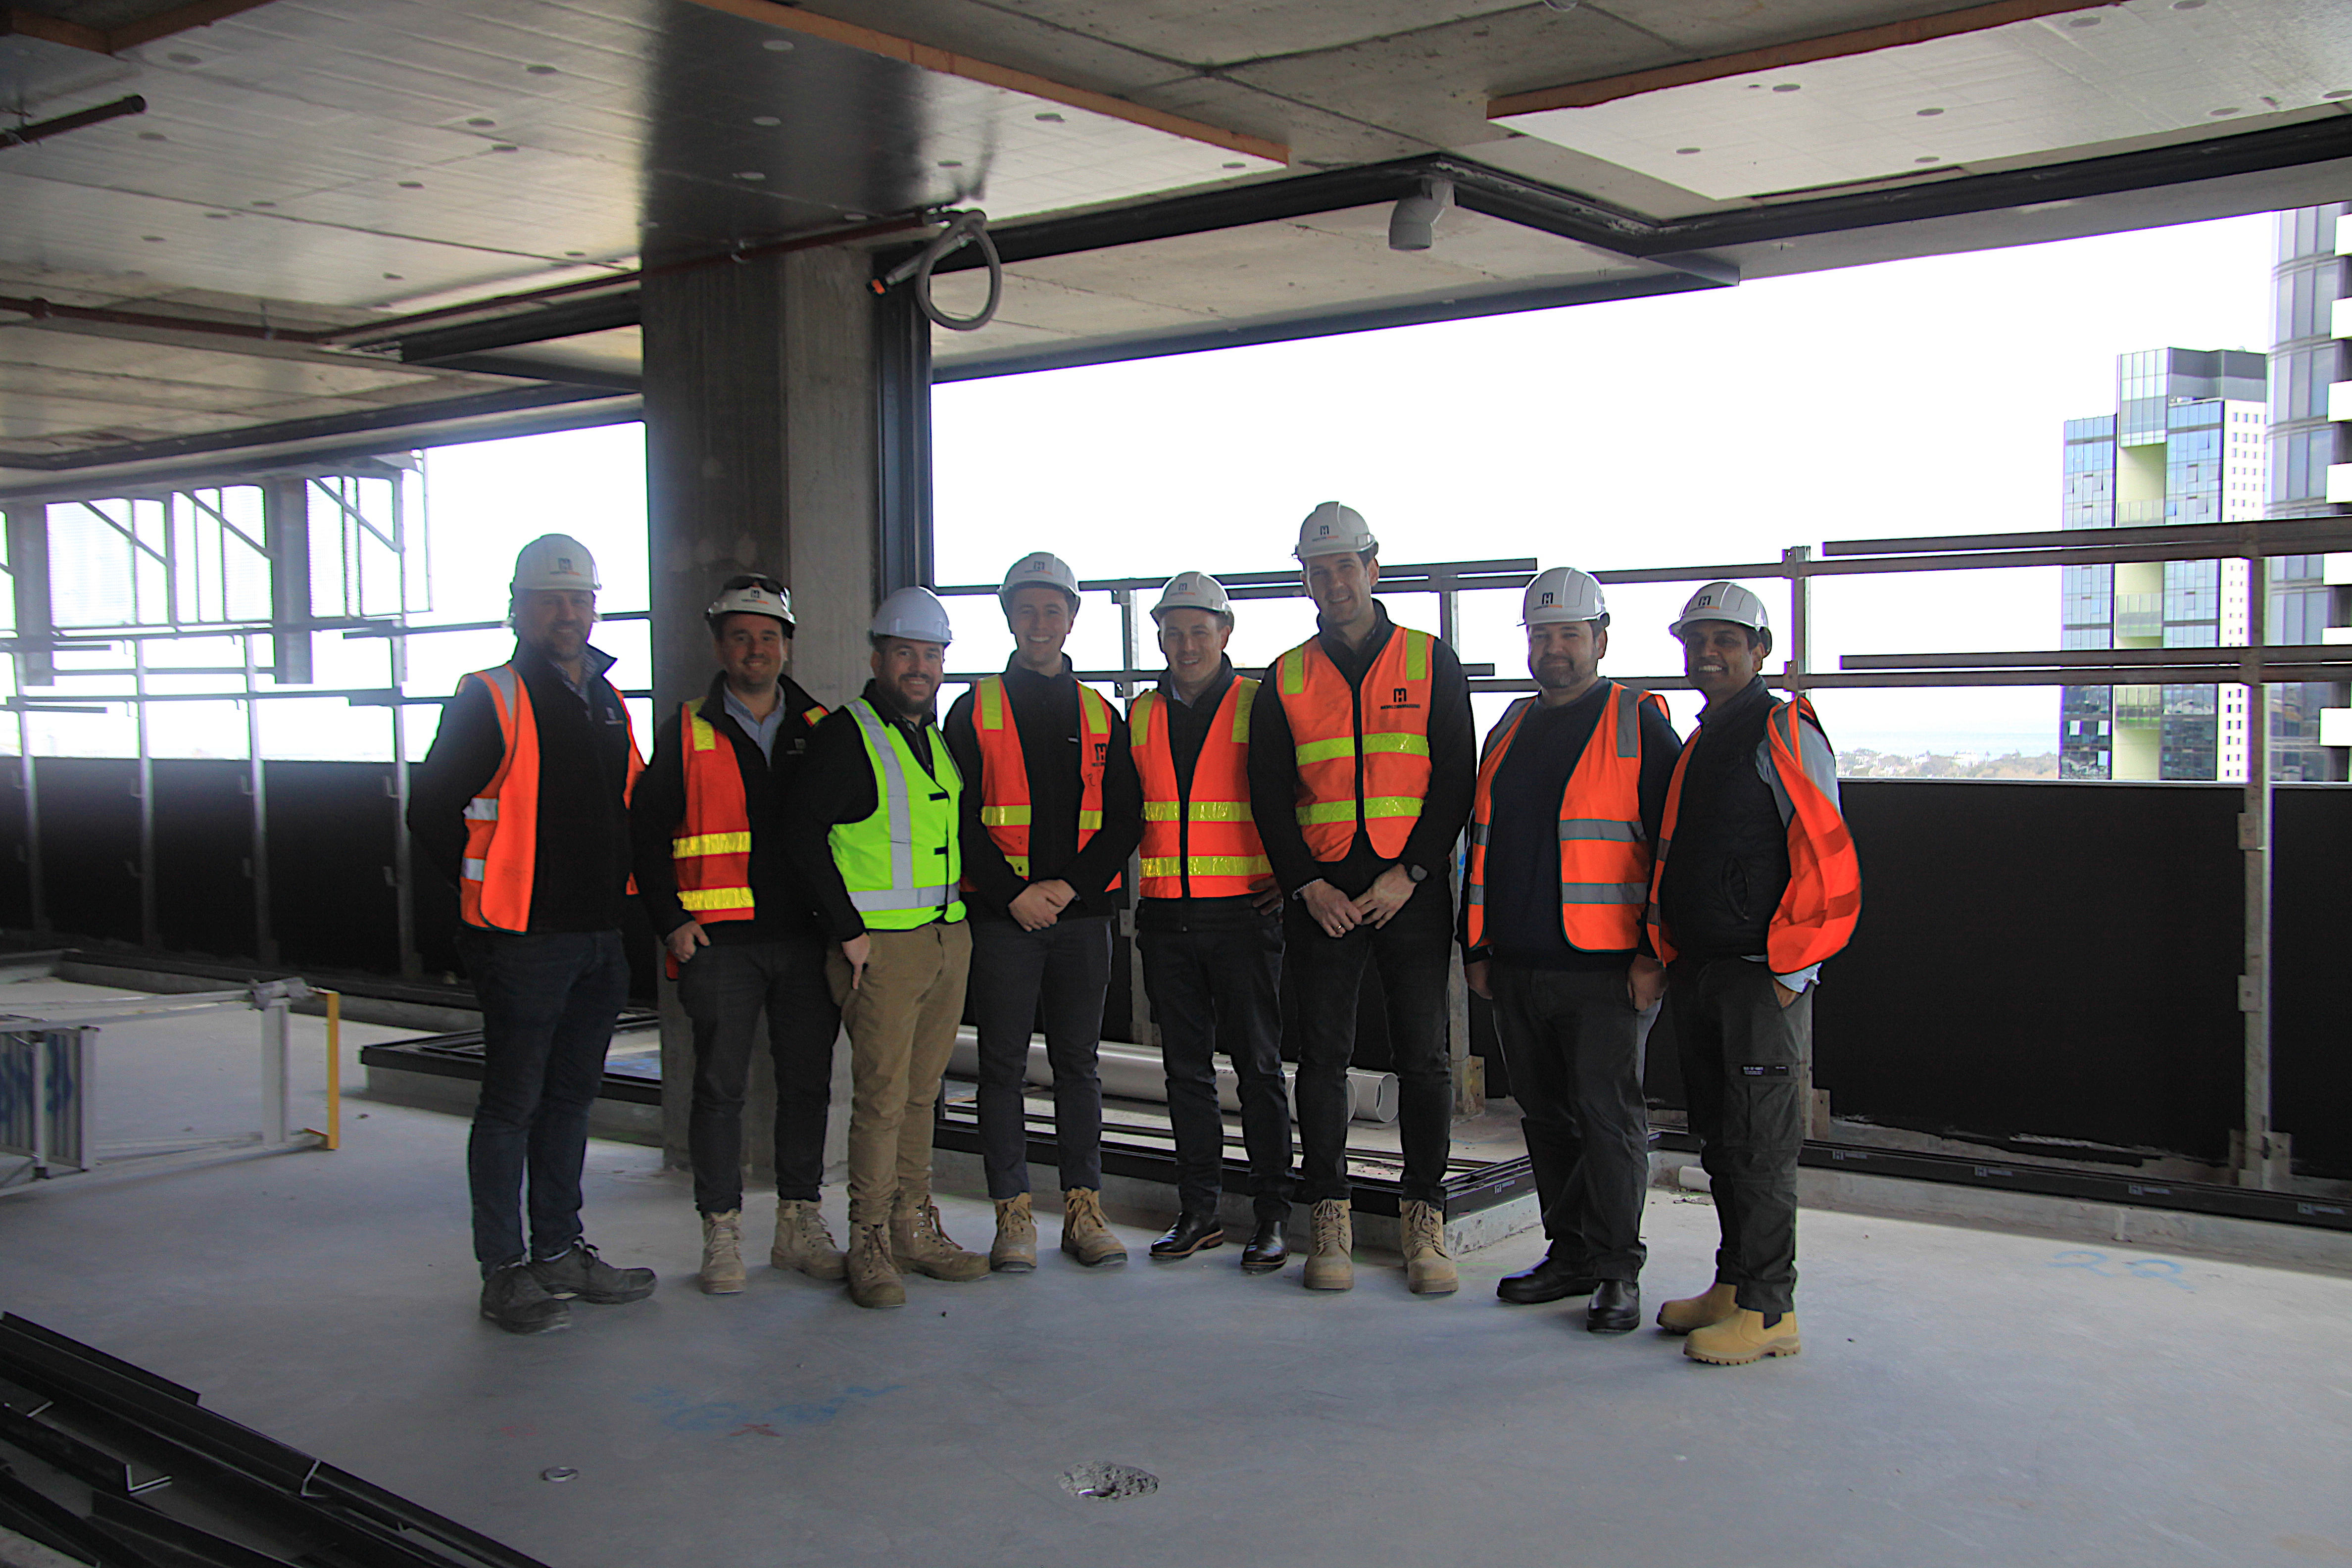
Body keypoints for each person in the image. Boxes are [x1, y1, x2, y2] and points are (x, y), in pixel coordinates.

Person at [408, 533, 657, 1335]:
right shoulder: (491, 695)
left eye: (580, 599)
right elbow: (431, 809)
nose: (567, 612)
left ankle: (559, 1249)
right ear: (518, 607)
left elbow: (633, 805)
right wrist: (491, 896)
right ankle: (505, 1270)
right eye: (550, 599)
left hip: (596, 937)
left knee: (568, 1103)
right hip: (519, 940)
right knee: (512, 1105)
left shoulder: (608, 701)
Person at [1248, 503, 1475, 1294]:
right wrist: (1307, 886)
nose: (1334, 581)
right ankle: (1330, 1216)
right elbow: (1269, 795)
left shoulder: (1428, 660)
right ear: (1305, 580)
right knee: (1322, 1060)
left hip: (1405, 890)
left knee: (1425, 1058)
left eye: (1348, 565)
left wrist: (1409, 873)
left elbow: (1457, 778)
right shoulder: (1287, 675)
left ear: (1374, 570)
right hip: (1324, 899)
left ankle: (1425, 1219)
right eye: (1319, 569)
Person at [1462, 567, 1680, 1334]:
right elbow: (1481, 846)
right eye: (1541, 634)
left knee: (1608, 1120)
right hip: (1518, 963)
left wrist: (1655, 953)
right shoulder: (1512, 727)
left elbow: (1669, 848)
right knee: (1546, 1120)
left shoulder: (1638, 722)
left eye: (1569, 634)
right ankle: (1570, 1253)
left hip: (1605, 969)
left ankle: (1618, 1269)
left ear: (1601, 639)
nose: (1553, 648)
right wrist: (1478, 946)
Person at [1647, 581, 1861, 1366]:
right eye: (1697, 642)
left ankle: (1772, 1313)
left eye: (1727, 641)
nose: (1709, 654)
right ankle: (1734, 1286)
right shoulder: (1707, 739)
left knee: (1764, 1149)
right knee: (1725, 1144)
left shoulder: (1782, 729)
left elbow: (1826, 855)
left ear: (1760, 651)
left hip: (1760, 977)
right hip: (1707, 972)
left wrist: (1791, 971)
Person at [629, 574, 842, 1296]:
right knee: (719, 1088)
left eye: (769, 637)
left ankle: (798, 1222)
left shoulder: (820, 728)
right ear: (720, 646)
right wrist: (672, 923)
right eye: (741, 636)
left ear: (787, 647)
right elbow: (647, 836)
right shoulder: (685, 729)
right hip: (720, 944)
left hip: (807, 942)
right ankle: (720, 1229)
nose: (756, 649)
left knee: (807, 1085)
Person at [782, 586, 989, 1310]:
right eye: (906, 654)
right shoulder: (849, 735)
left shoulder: (928, 738)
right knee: (880, 1100)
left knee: (922, 1095)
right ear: (878, 658)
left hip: (942, 935)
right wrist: (848, 932)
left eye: (931, 656)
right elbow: (801, 838)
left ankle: (912, 1225)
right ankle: (868, 1237)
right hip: (882, 948)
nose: (920, 668)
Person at [944, 551, 1144, 1272]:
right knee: (1000, 1069)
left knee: (1078, 1067)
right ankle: (1013, 1217)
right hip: (1004, 923)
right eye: (1026, 609)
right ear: (1008, 616)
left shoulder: (1100, 714)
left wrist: (1067, 889)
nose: (1039, 623)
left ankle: (1083, 1210)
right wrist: (1014, 895)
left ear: (1071, 619)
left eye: (1052, 610)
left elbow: (1125, 818)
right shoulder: (974, 709)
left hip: (1082, 920)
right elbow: (959, 820)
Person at [1127, 572, 1293, 1272]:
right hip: (1168, 920)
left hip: (1245, 919)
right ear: (1160, 636)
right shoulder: (1137, 716)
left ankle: (1272, 1216)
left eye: (1200, 630)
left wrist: (1294, 874)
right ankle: (1198, 1211)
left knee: (1258, 1068)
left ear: (1226, 635)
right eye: (1174, 631)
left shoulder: (1263, 707)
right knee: (1184, 1073)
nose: (1186, 643)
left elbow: (1300, 793)